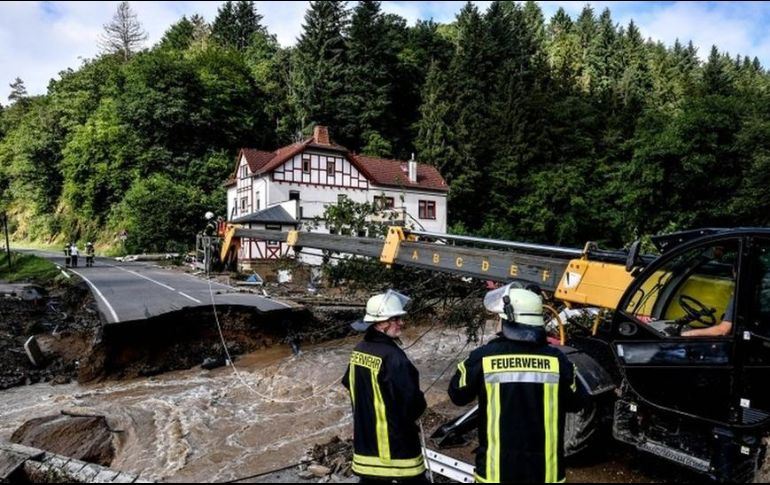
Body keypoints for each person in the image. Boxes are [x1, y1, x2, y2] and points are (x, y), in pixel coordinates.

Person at [448, 285, 586, 483]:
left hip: (496, 473)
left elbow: (457, 395)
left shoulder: (484, 358)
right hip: (545, 473)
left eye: (500, 318)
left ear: (510, 320)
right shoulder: (558, 360)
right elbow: (578, 402)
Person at [342, 290, 427, 482]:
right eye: (395, 319)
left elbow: (349, 382)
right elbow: (412, 404)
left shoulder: (358, 351)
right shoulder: (394, 357)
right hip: (397, 450)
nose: (401, 323)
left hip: (366, 447)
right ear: (380, 323)